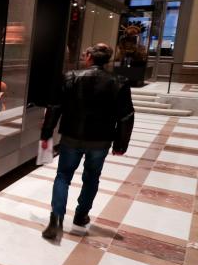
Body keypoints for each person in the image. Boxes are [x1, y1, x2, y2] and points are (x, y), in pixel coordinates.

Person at [40, 43, 134, 239]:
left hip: (71, 137)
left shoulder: (70, 77)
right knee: (92, 178)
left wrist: (46, 133)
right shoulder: (119, 82)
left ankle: (56, 220)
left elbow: (55, 107)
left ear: (90, 57)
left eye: (85, 54)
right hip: (101, 140)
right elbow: (126, 116)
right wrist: (120, 144)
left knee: (63, 176)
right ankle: (81, 215)